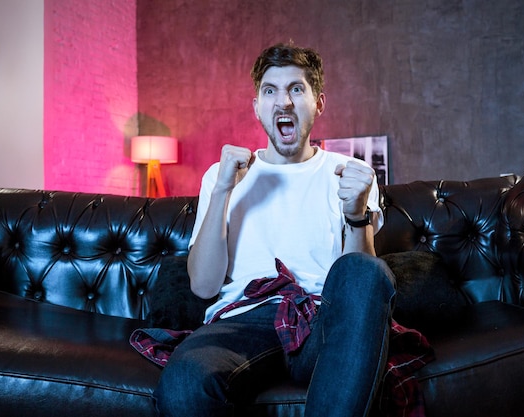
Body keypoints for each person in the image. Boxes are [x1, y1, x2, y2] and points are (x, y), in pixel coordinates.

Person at [152, 42, 396, 417]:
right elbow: (202, 285)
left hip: (322, 320)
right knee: (185, 384)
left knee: (369, 270)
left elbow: (357, 282)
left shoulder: (349, 173)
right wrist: (222, 191)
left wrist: (356, 213)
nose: (283, 102)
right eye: (270, 91)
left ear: (319, 103)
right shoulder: (222, 177)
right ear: (257, 107)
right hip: (242, 322)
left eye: (296, 89)